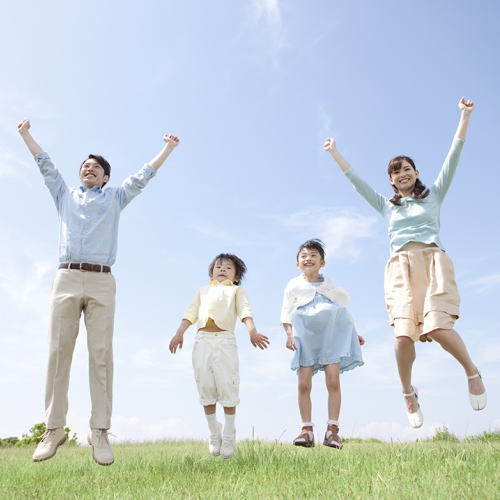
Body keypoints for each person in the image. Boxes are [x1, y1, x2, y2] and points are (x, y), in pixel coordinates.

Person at [18, 119, 180, 464]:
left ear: (105, 177)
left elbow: (144, 175)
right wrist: (26, 135)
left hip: (102, 280)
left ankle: (100, 431)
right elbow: (45, 165)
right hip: (66, 277)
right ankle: (54, 429)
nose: (89, 169)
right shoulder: (64, 195)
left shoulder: (116, 197)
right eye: (84, 167)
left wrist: (167, 148)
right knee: (58, 353)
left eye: (96, 168)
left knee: (101, 356)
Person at [323, 97, 486, 428]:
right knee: (402, 337)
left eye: (407, 169)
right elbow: (357, 183)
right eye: (395, 173)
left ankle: (472, 371)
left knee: (439, 328)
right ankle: (407, 393)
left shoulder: (435, 195)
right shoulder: (387, 207)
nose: (402, 175)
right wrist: (334, 152)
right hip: (400, 268)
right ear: (391, 181)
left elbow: (454, 155)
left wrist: (464, 116)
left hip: (433, 262)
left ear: (416, 173)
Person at [169, 253, 269, 459]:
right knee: (205, 385)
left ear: (237, 277)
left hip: (225, 341)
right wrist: (179, 333)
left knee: (227, 385)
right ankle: (214, 432)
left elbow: (244, 311)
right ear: (211, 273)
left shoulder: (236, 291)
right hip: (202, 340)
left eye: (228, 268)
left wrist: (252, 331)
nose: (222, 270)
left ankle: (229, 433)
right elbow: (191, 313)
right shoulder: (202, 291)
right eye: (218, 267)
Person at [281, 239, 364, 449]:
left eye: (313, 255)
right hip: (305, 337)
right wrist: (290, 334)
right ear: (297, 263)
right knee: (304, 384)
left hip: (331, 337)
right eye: (303, 256)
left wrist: (354, 334)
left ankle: (332, 430)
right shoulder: (293, 285)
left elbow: (342, 313)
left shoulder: (330, 286)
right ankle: (306, 430)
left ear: (322, 262)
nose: (308, 258)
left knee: (333, 381)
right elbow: (286, 313)